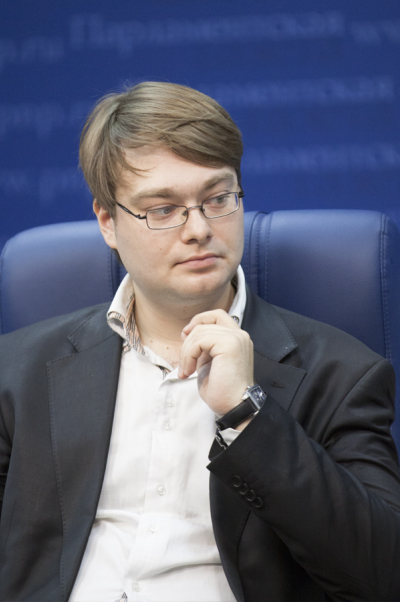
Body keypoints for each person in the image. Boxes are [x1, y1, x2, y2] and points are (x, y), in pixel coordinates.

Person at [1, 81, 400, 602]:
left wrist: (248, 414)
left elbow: (382, 575)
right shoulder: (17, 371)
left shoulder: (342, 373)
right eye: (163, 209)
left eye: (217, 199)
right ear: (108, 222)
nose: (199, 229)